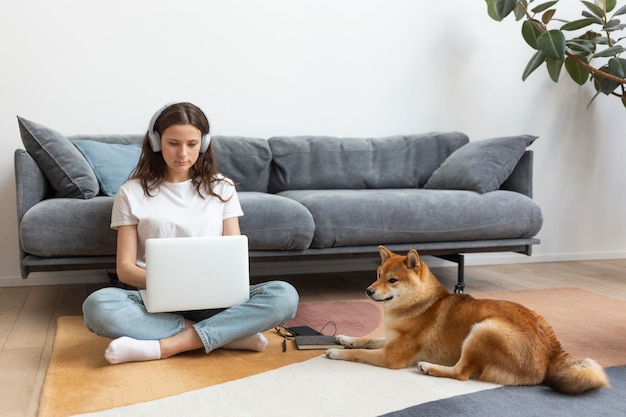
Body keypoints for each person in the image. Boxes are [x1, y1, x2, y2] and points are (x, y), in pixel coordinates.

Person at [82, 102, 299, 365]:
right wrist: (175, 282)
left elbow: (233, 259)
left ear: (204, 143)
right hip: (155, 298)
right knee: (97, 306)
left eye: (192, 144)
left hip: (214, 296)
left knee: (285, 296)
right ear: (155, 141)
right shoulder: (131, 192)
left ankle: (165, 347)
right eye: (173, 143)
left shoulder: (223, 188)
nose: (183, 153)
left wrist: (206, 283)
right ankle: (228, 335)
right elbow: (125, 269)